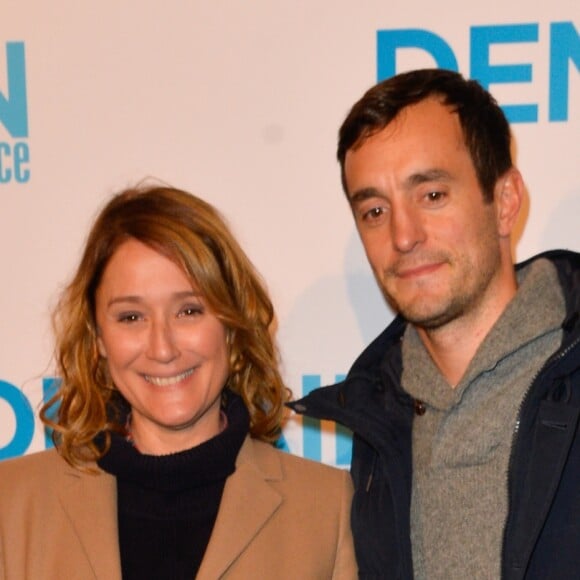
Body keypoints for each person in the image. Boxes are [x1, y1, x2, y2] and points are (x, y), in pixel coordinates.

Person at [290, 69, 580, 579]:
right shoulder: (379, 414)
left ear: (505, 201)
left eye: (432, 196)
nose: (403, 236)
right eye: (375, 210)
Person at [0, 185, 357, 579]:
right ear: (98, 336)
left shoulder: (325, 509)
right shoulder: (13, 505)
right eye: (131, 317)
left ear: (231, 324)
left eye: (188, 310)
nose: (163, 348)